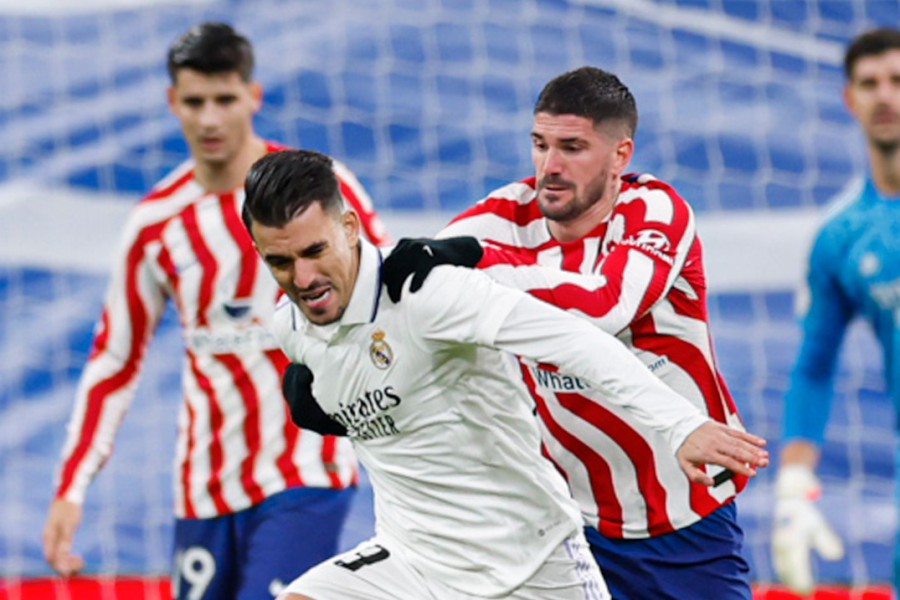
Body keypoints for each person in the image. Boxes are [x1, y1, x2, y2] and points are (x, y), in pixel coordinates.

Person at [242, 148, 768, 600]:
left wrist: (681, 424)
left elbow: (576, 342)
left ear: (350, 228)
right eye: (280, 262)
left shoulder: (428, 294)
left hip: (531, 567)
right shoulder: (291, 326)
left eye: (314, 252)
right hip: (411, 563)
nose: (303, 278)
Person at [41, 22, 391, 600]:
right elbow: (115, 360)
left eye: (224, 99)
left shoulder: (322, 188)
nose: (209, 119)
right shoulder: (156, 224)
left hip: (305, 471)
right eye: (195, 101)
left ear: (253, 97)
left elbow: (387, 301)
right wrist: (72, 486)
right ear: (172, 101)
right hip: (203, 488)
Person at [380, 66, 757, 599]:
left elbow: (605, 306)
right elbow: (403, 285)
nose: (549, 167)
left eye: (572, 148)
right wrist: (323, 357)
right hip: (568, 528)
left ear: (620, 155)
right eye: (540, 145)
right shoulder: (501, 219)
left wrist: (479, 264)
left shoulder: (654, 211)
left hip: (684, 514)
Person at [771, 27, 900, 596]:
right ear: (850, 98)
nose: (885, 95)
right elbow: (815, 367)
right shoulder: (840, 234)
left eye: (897, 80)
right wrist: (794, 486)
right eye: (870, 84)